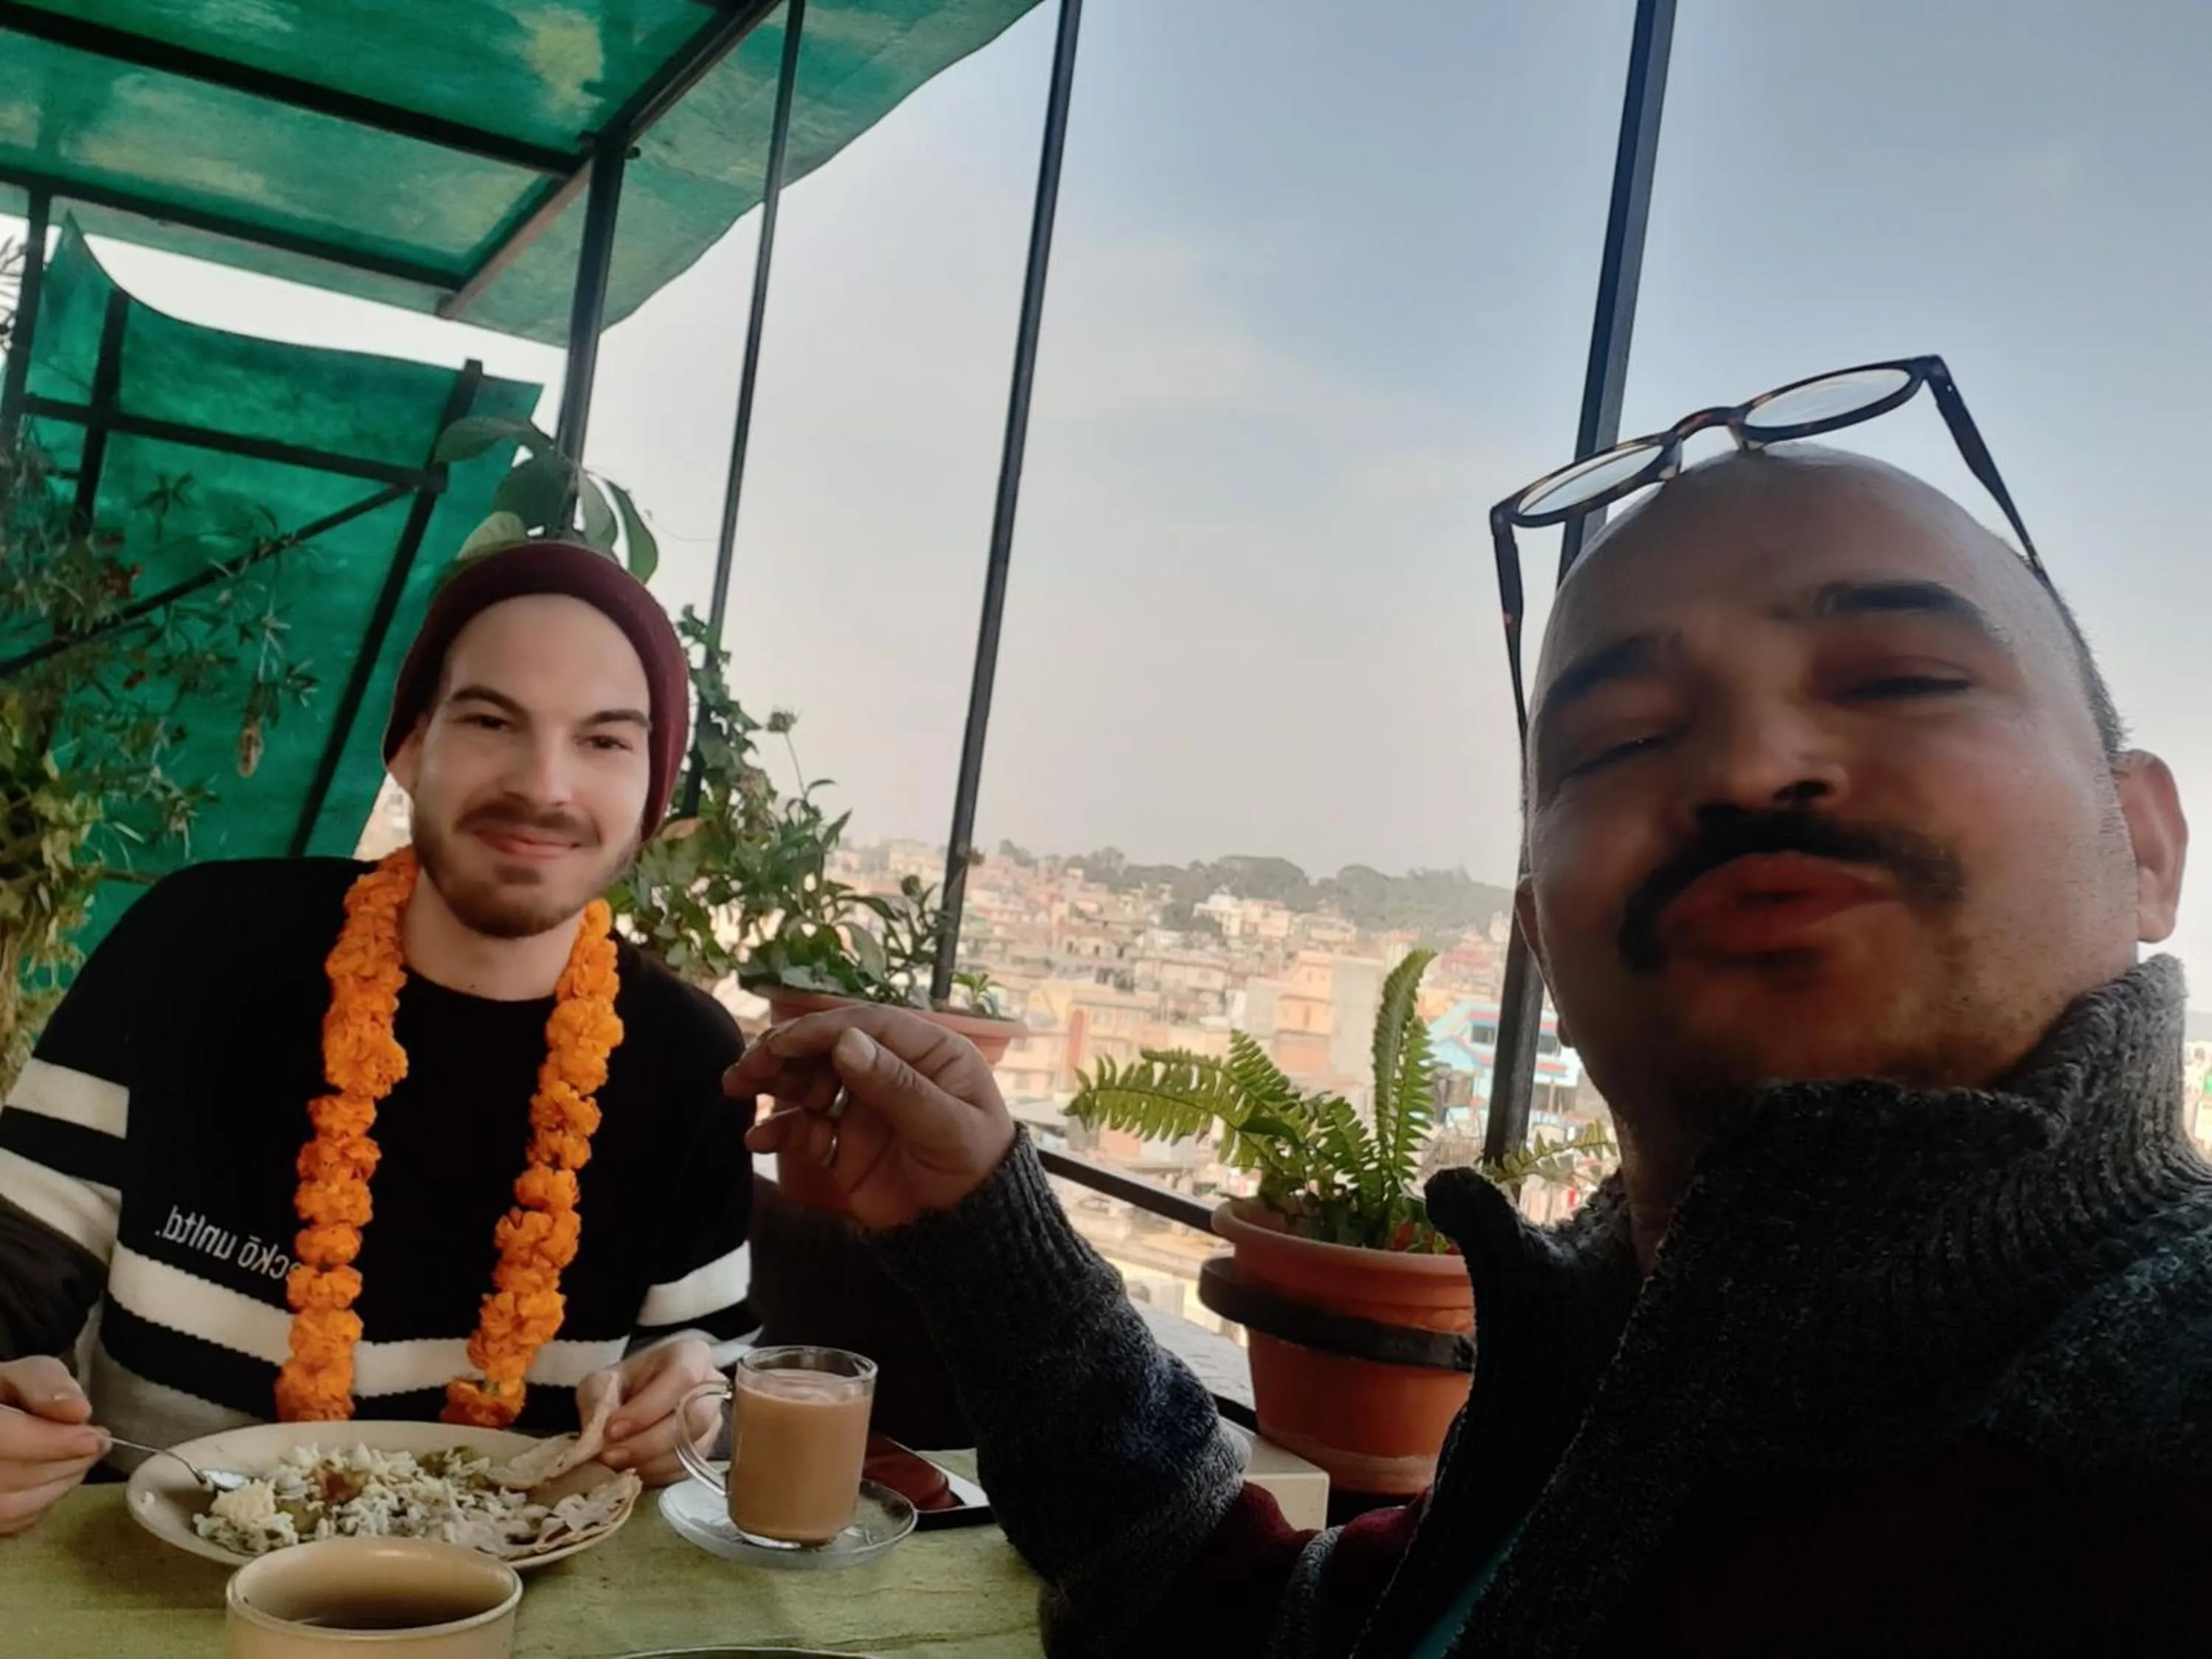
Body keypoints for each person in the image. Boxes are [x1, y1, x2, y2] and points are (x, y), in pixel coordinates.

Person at [736, 449, 2212, 1655]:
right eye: (1621, 737)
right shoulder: (1610, 1405)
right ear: (1541, 946)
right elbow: (1241, 1628)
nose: (1755, 767)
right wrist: (985, 1210)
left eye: (1897, 677)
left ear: (2145, 843)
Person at [0, 540, 755, 1538]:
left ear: (654, 794)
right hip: (153, 1580)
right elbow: (15, 1264)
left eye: (606, 741)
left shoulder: (687, 1062)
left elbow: (718, 1396)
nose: (545, 784)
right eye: (491, 719)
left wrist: (699, 1412)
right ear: (408, 745)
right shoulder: (196, 946)